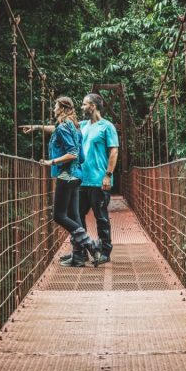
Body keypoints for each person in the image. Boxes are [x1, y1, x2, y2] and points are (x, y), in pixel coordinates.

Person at [24, 96, 103, 267]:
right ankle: (78, 257)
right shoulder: (74, 126)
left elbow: (73, 153)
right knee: (74, 216)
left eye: (55, 106)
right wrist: (37, 127)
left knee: (59, 216)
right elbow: (77, 153)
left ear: (62, 108)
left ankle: (91, 244)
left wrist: (49, 162)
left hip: (66, 176)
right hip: (76, 176)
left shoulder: (64, 127)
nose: (53, 109)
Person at [63, 92, 119, 265]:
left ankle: (105, 252)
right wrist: (37, 128)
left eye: (84, 104)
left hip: (98, 181)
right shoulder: (82, 125)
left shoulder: (107, 126)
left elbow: (114, 151)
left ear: (93, 106)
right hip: (81, 180)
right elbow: (60, 130)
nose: (82, 107)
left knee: (101, 218)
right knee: (76, 218)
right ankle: (81, 252)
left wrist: (108, 175)